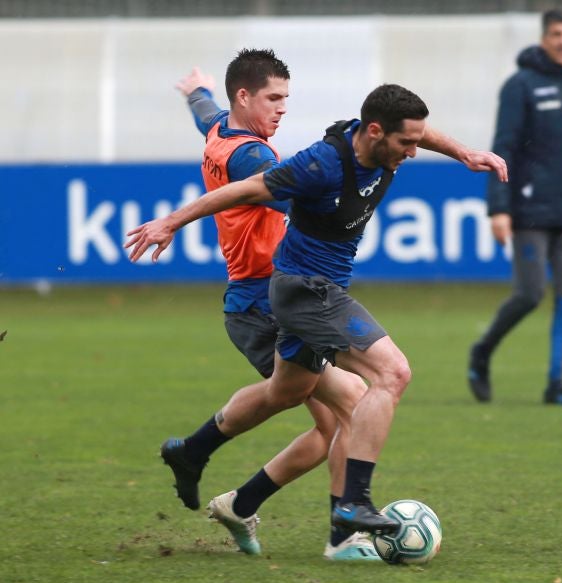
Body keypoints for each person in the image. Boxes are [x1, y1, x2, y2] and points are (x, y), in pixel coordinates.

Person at [126, 84, 507, 544]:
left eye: (415, 142)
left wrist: (464, 153)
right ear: (374, 131)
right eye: (405, 143)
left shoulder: (382, 140)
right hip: (307, 292)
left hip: (307, 290)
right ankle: (351, 507)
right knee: (391, 374)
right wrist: (171, 221)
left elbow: (417, 133)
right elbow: (246, 188)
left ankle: (206, 464)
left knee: (286, 391)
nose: (412, 152)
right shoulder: (319, 165)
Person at [165, 49, 375, 560]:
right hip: (266, 301)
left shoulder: (222, 130)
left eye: (286, 98)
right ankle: (343, 537)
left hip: (262, 298)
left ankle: (233, 496)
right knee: (353, 403)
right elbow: (299, 196)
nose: (282, 108)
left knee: (332, 423)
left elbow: (206, 114)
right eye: (273, 98)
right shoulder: (253, 159)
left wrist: (197, 92)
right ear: (244, 96)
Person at [468, 8, 562, 407]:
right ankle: (482, 352)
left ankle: (556, 384)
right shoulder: (520, 85)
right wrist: (499, 208)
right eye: (557, 33)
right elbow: (503, 148)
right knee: (529, 294)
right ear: (544, 38)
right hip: (528, 211)